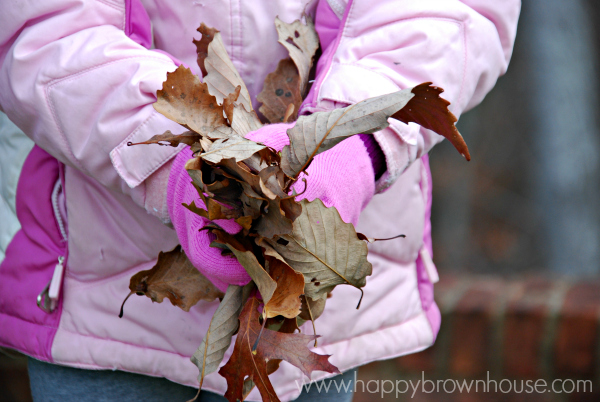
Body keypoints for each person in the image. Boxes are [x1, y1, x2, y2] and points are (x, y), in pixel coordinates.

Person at [0, 0, 520, 401]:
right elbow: (41, 27)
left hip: (322, 316)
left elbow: (450, 14)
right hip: (103, 301)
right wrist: (174, 169)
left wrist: (352, 149)